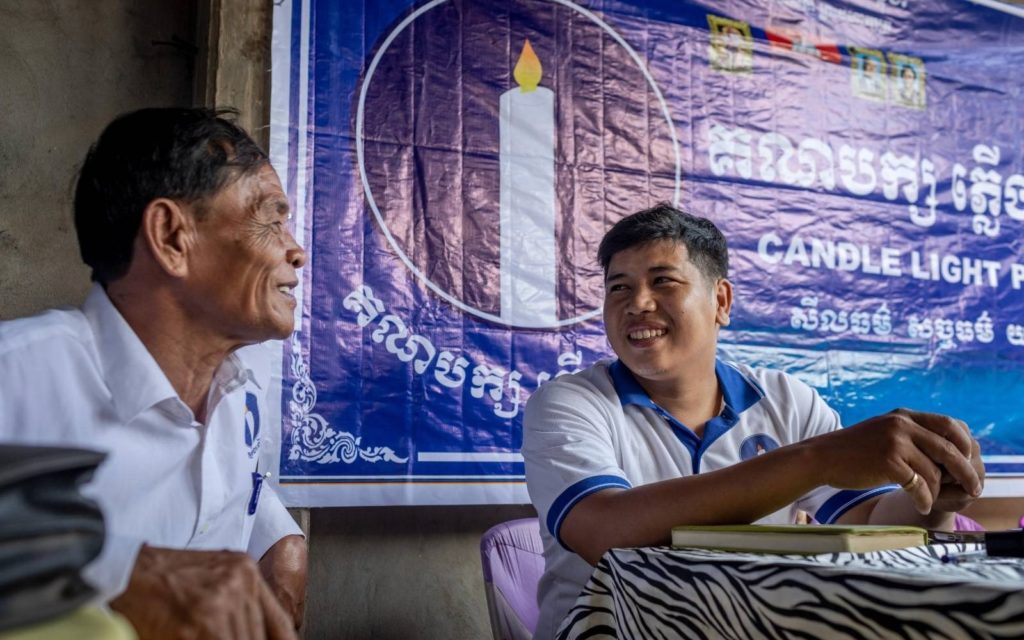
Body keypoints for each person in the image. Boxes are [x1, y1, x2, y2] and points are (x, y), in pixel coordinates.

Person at [522, 203, 984, 639]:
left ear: (721, 300)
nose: (637, 302)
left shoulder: (788, 401)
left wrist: (931, 494)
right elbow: (603, 532)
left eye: (662, 281)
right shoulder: (568, 402)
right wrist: (813, 461)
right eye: (619, 287)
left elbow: (871, 521)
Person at [0, 108, 309, 640]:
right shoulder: (19, 377)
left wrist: (281, 540)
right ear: (171, 236)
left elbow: (235, 499)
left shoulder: (237, 397)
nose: (295, 251)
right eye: (270, 218)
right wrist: (118, 578)